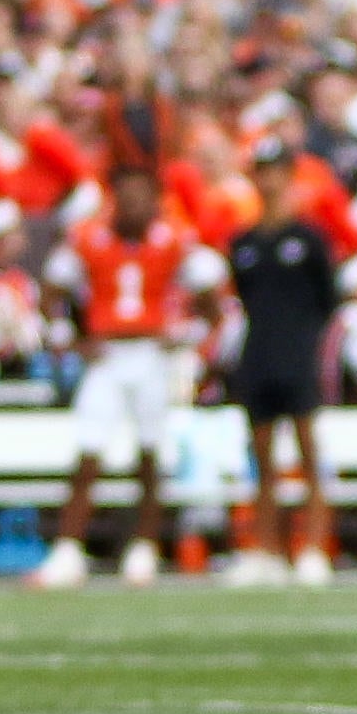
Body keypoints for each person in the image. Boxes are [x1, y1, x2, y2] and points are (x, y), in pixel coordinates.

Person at [35, 163, 218, 589]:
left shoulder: (174, 239)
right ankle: (68, 549)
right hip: (107, 354)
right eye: (127, 196)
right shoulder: (89, 239)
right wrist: (70, 339)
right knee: (88, 450)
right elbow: (51, 291)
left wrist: (187, 335)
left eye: (142, 196)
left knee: (150, 452)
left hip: (152, 352)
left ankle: (144, 548)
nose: (134, 206)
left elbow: (212, 298)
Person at [222, 137, 343, 589]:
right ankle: (266, 549)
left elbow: (327, 301)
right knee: (263, 462)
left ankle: (312, 547)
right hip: (259, 355)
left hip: (298, 355)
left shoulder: (309, 239)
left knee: (310, 457)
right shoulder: (244, 242)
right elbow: (243, 298)